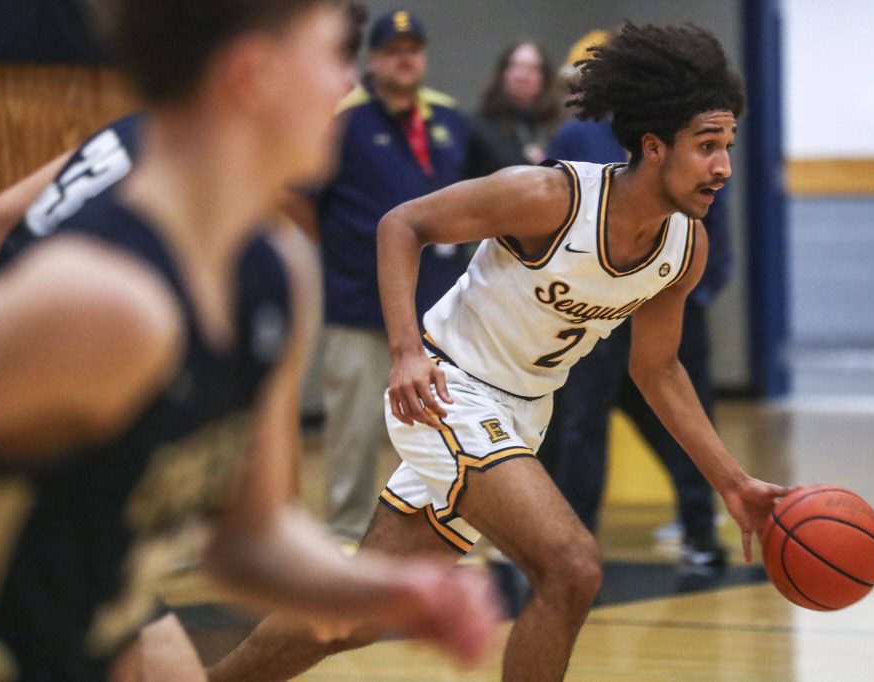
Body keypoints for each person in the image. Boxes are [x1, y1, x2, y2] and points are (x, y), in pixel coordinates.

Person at [0, 1, 499, 679]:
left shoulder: (274, 274)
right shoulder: (106, 304)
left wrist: (386, 590)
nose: (348, 85)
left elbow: (247, 539)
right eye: (331, 54)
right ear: (251, 73)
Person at [208, 21, 792, 682]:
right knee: (570, 567)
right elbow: (402, 224)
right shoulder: (551, 198)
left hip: (521, 417)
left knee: (356, 612)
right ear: (654, 148)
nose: (723, 167)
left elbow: (656, 368)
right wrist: (406, 353)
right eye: (707, 146)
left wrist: (732, 482)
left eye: (729, 147)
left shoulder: (685, 248)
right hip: (446, 390)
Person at [538, 29, 732, 569]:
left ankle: (701, 532)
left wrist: (705, 285)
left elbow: (717, 210)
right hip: (598, 308)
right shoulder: (574, 140)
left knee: (683, 418)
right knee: (582, 427)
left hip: (671, 298)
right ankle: (576, 546)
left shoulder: (686, 133)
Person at [302, 9, 474, 545]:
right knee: (352, 428)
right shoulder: (344, 123)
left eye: (414, 48)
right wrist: (342, 247)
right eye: (393, 49)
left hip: (436, 310)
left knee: (443, 427)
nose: (405, 58)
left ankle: (441, 530)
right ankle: (346, 534)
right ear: (372, 60)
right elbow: (296, 196)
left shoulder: (450, 121)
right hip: (359, 303)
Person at [469, 39, 564, 174]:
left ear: (545, 77)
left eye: (533, 69)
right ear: (503, 73)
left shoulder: (560, 127)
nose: (522, 76)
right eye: (515, 66)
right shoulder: (478, 127)